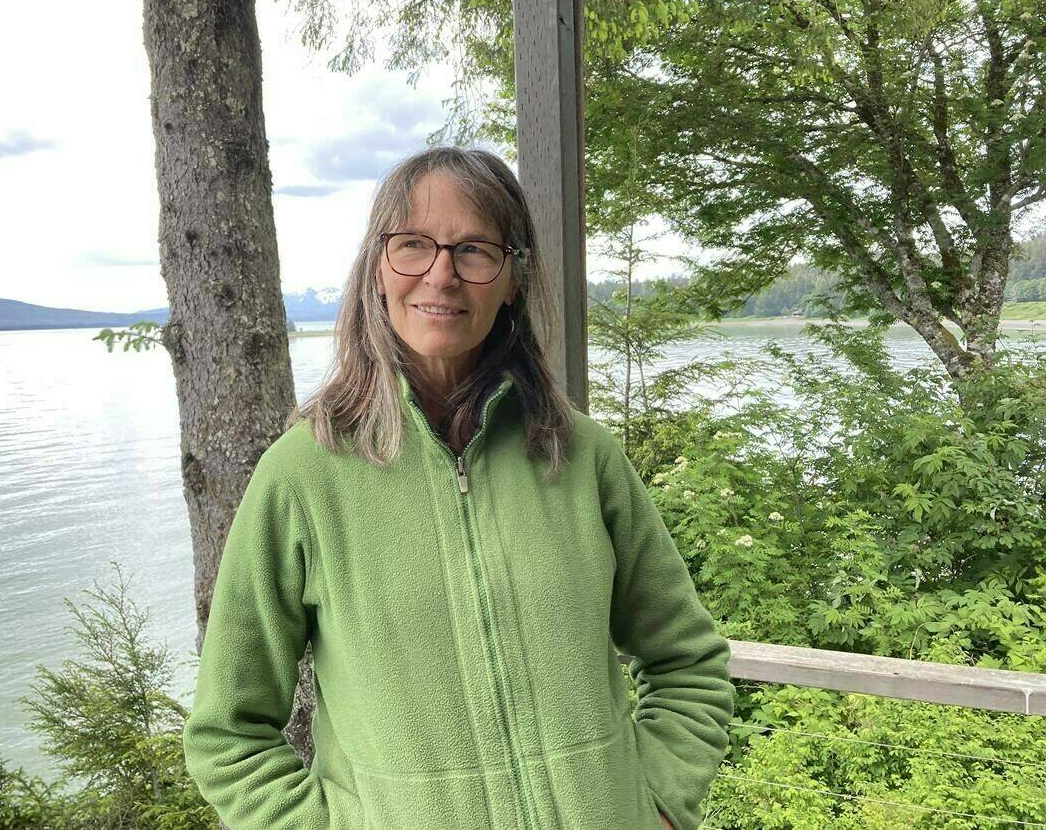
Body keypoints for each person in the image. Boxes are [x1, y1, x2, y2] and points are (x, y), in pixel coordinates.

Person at [182, 146, 735, 829]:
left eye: (474, 250)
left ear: (512, 281)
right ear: (378, 271)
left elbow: (689, 662)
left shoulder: (582, 456)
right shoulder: (302, 475)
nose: (441, 274)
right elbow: (228, 736)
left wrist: (657, 805)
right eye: (413, 244)